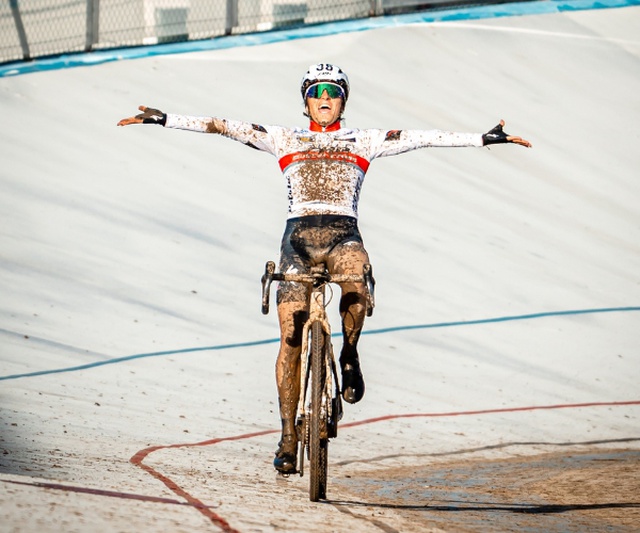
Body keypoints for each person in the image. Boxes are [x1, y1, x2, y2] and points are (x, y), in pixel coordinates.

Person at [118, 62, 531, 475]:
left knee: (356, 279)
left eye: (332, 92)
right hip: (297, 242)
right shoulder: (283, 137)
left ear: (343, 100)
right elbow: (223, 125)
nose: (324, 100)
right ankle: (287, 435)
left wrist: (482, 138)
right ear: (305, 102)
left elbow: (421, 138)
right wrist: (165, 118)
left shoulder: (364, 140)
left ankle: (349, 352)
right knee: (290, 336)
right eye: (315, 93)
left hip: (342, 236)